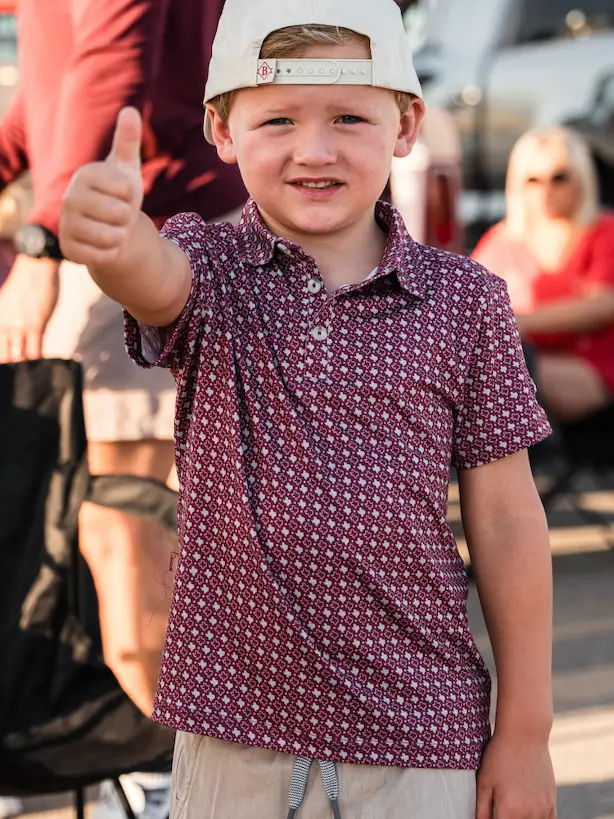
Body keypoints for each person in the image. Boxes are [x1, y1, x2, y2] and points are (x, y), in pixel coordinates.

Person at [59, 0, 557, 816]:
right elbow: (151, 275)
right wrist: (115, 240)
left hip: (421, 737)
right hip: (234, 737)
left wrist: (526, 733)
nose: (314, 150)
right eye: (279, 118)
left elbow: (506, 521)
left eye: (349, 117)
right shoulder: (207, 265)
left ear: (406, 124)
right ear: (222, 130)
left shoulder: (467, 302)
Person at [0, 0, 244, 816]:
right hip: (123, 228)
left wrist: (40, 240)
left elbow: (111, 73)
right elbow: (54, 83)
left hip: (135, 238)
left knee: (127, 538)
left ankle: (180, 777)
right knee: (96, 536)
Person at [472, 127, 614, 423]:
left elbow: (604, 304)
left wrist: (517, 323)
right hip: (522, 364)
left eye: (559, 177)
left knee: (512, 365)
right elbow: (464, 303)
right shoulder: (503, 240)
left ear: (582, 177)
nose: (546, 189)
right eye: (533, 179)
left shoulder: (604, 231)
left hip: (591, 367)